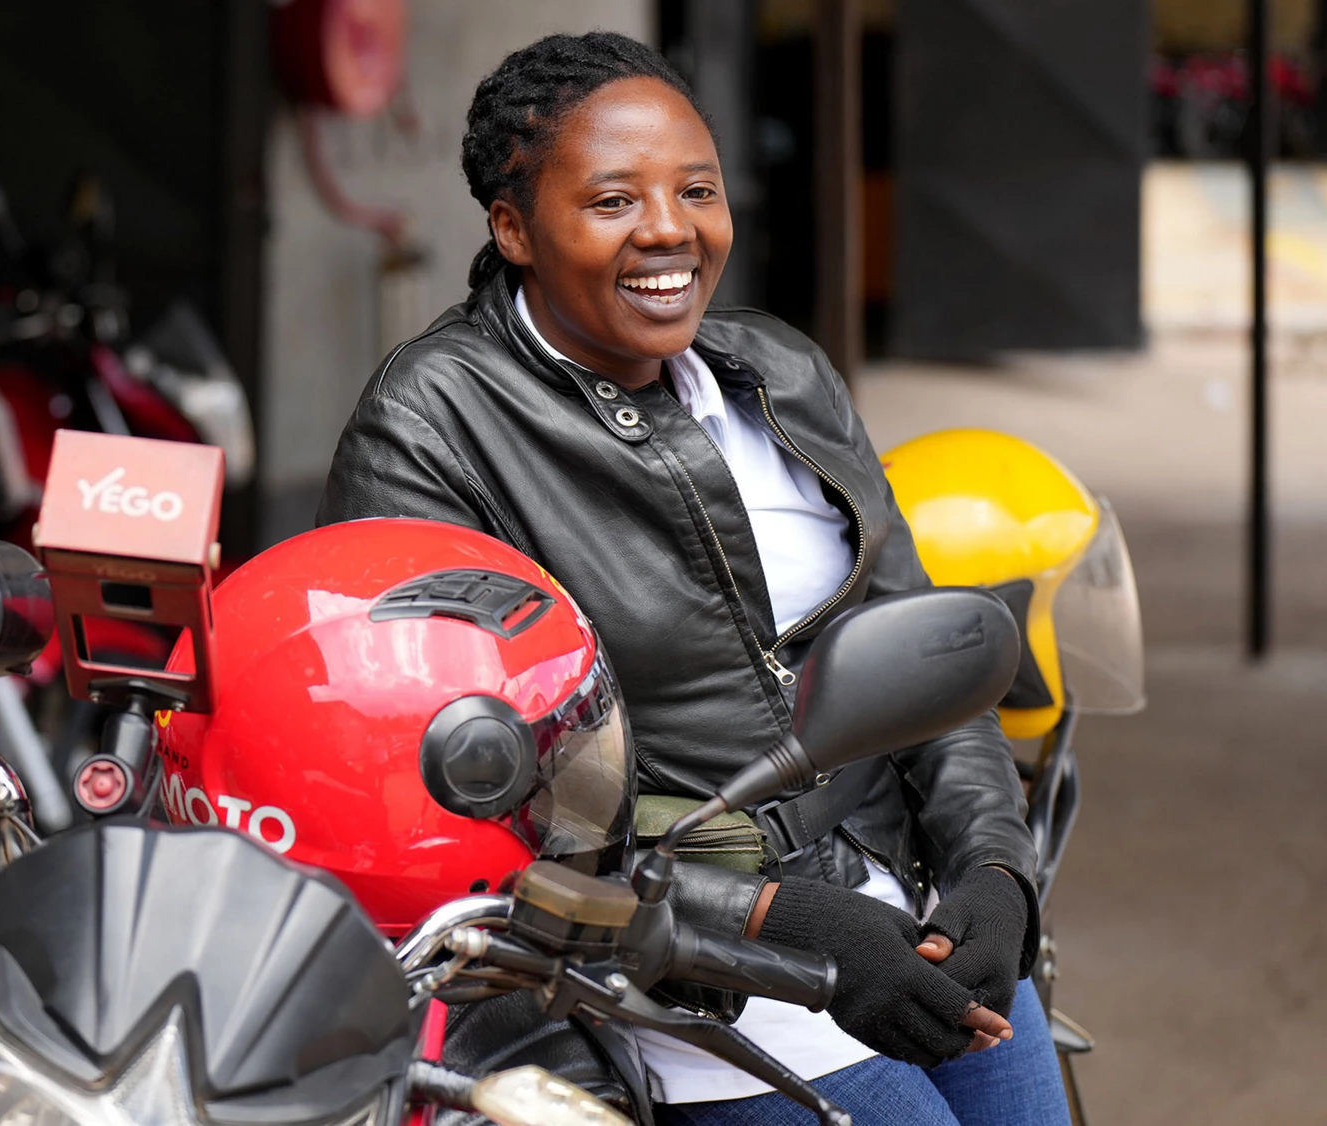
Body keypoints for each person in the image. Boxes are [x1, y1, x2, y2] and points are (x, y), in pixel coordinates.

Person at [316, 31, 1069, 1126]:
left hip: (901, 920)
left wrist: (994, 873)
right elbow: (453, 797)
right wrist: (776, 918)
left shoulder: (781, 372)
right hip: (675, 985)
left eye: (695, 190)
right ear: (513, 227)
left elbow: (923, 653)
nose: (668, 228)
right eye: (613, 198)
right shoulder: (430, 424)